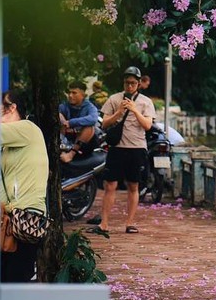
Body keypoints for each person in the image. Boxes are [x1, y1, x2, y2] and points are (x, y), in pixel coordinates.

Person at [0, 89, 49, 300]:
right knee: (8, 278)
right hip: (10, 216)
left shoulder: (27, 130)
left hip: (27, 216)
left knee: (20, 279)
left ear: (11, 108)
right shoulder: (9, 142)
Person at [92, 66, 156, 237]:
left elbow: (148, 126)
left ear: (139, 84)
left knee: (133, 185)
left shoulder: (145, 102)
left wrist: (135, 110)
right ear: (123, 82)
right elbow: (104, 123)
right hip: (117, 148)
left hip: (136, 148)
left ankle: (130, 223)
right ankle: (104, 223)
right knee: (110, 185)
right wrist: (119, 112)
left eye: (133, 83)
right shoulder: (114, 99)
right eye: (127, 83)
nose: (130, 86)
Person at [59, 80, 99, 164]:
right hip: (67, 138)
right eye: (69, 92)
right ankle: (62, 147)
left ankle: (71, 154)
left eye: (74, 93)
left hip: (84, 142)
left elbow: (93, 118)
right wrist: (64, 122)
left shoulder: (89, 107)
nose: (70, 95)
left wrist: (71, 122)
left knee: (89, 127)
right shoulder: (65, 105)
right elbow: (56, 112)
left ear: (83, 95)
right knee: (58, 116)